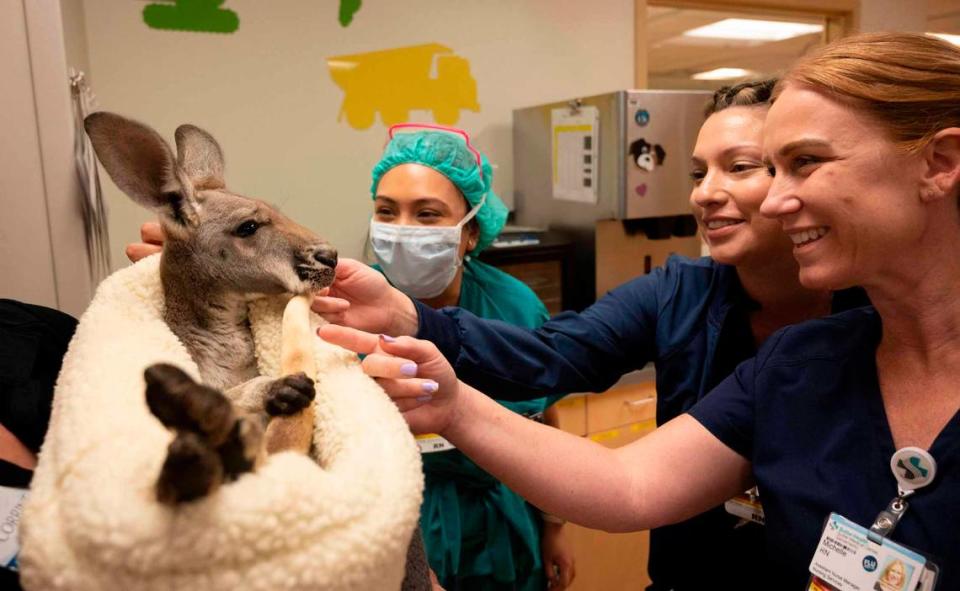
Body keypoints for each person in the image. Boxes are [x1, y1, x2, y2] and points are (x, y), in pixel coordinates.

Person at [317, 32, 960, 589]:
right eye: (700, 171)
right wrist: (431, 358)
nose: (719, 195)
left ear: (940, 164)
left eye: (795, 164)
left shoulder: (830, 337)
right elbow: (626, 481)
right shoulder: (795, 359)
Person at [127, 126, 576, 591]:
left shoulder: (515, 304)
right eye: (386, 211)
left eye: (427, 214)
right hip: (388, 509)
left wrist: (556, 527)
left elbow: (544, 411)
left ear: (470, 232)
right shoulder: (336, 306)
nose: (403, 229)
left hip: (501, 519)